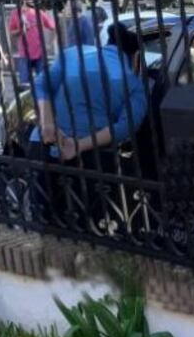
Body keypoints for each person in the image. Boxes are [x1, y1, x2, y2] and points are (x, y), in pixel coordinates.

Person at [30, 22, 148, 227]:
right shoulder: (133, 83)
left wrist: (47, 124)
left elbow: (41, 84)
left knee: (46, 222)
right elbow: (125, 127)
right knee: (85, 230)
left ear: (106, 43)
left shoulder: (72, 54)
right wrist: (79, 145)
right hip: (91, 160)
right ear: (135, 57)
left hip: (45, 146)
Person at [8, 0, 55, 86]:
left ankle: (42, 100)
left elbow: (53, 27)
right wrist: (20, 30)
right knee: (25, 85)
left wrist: (51, 43)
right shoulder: (16, 13)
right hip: (24, 54)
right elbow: (11, 32)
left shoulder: (39, 13)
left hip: (40, 53)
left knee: (43, 83)